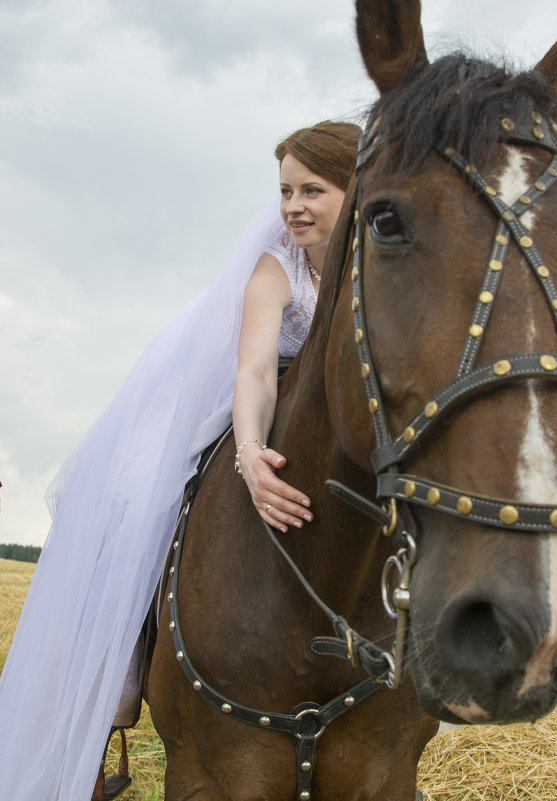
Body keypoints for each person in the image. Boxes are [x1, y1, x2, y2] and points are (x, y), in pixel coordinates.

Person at [0, 120, 361, 801]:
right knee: (143, 506)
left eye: (313, 188)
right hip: (220, 403)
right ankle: (121, 670)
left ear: (357, 188)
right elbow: (254, 372)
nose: (293, 205)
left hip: (321, 417)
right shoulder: (274, 265)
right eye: (285, 189)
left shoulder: (380, 265)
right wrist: (251, 456)